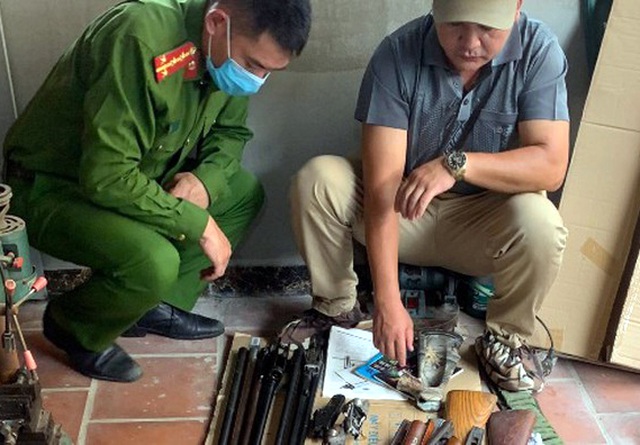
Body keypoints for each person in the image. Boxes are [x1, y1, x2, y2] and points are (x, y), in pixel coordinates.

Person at [3, 0, 311, 383]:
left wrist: (205, 181)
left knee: (242, 194)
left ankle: (148, 303)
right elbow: (107, 175)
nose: (256, 80)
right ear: (217, 22)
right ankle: (73, 326)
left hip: (135, 181)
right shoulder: (139, 38)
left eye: (269, 71)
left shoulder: (224, 50)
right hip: (54, 187)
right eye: (252, 66)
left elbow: (230, 133)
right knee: (154, 261)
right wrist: (198, 224)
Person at [283, 0, 569, 393]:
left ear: (517, 8)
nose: (470, 43)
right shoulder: (397, 53)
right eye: (455, 26)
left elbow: (551, 166)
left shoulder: (540, 51)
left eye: (488, 29)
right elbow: (382, 189)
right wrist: (388, 301)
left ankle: (505, 341)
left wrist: (456, 165)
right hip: (403, 210)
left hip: (484, 222)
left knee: (542, 222)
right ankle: (337, 311)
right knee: (317, 180)